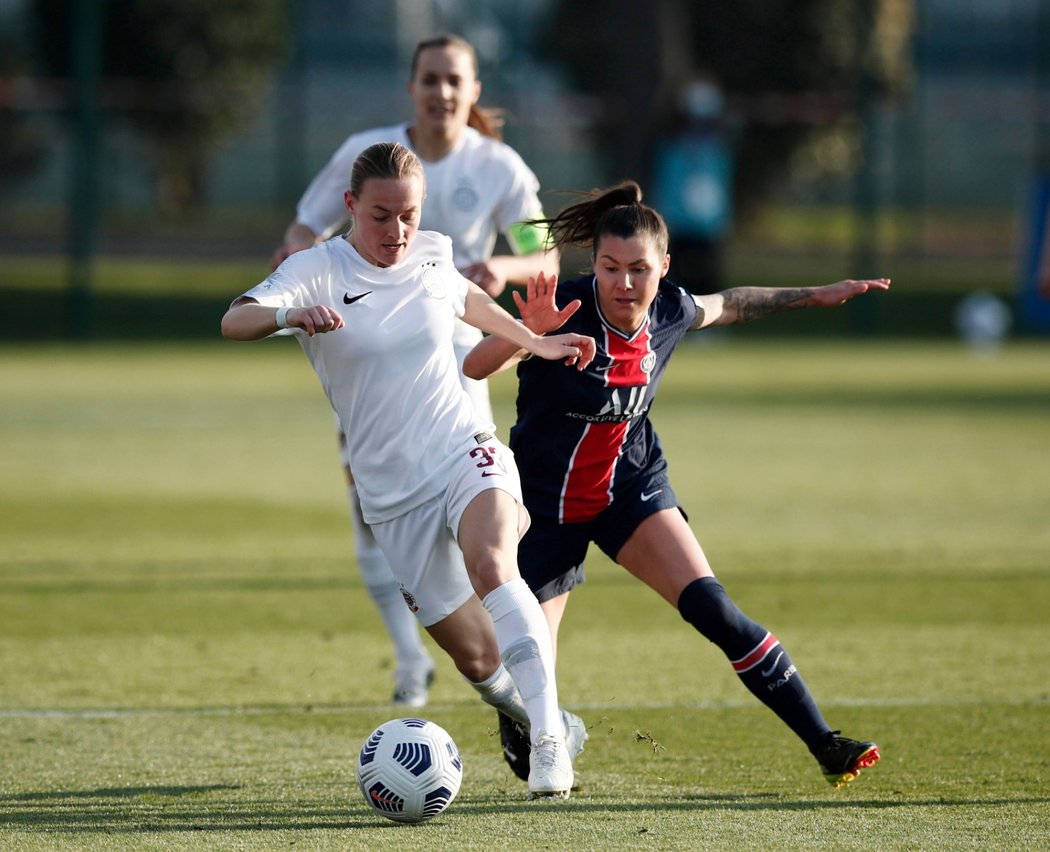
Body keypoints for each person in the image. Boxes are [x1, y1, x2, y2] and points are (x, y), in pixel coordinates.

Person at [462, 180, 890, 789]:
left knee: (715, 608)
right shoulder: (563, 307)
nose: (624, 284)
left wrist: (815, 295)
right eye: (610, 268)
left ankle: (826, 743)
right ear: (595, 266)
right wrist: (525, 336)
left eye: (639, 269)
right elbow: (472, 365)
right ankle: (527, 727)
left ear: (664, 267)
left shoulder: (670, 311)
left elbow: (732, 302)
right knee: (530, 676)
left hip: (629, 491)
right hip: (547, 511)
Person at [222, 142, 591, 799]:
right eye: (381, 217)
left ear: (472, 87)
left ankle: (548, 741)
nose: (397, 231)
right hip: (391, 491)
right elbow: (234, 316)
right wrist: (288, 314)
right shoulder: (321, 250)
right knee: (476, 659)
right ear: (352, 207)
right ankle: (537, 713)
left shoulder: (499, 171)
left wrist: (533, 334)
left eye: (409, 217)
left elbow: (526, 257)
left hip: (461, 444)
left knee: (493, 562)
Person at [271, 34, 560, 707]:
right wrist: (296, 293)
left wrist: (502, 271)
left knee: (482, 531)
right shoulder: (364, 154)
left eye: (454, 80)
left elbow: (541, 254)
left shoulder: (500, 168)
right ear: (412, 86)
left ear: (474, 90)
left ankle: (523, 685)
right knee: (375, 505)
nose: (442, 93)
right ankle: (412, 658)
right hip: (373, 359)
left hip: (460, 365)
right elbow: (300, 232)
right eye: (430, 79)